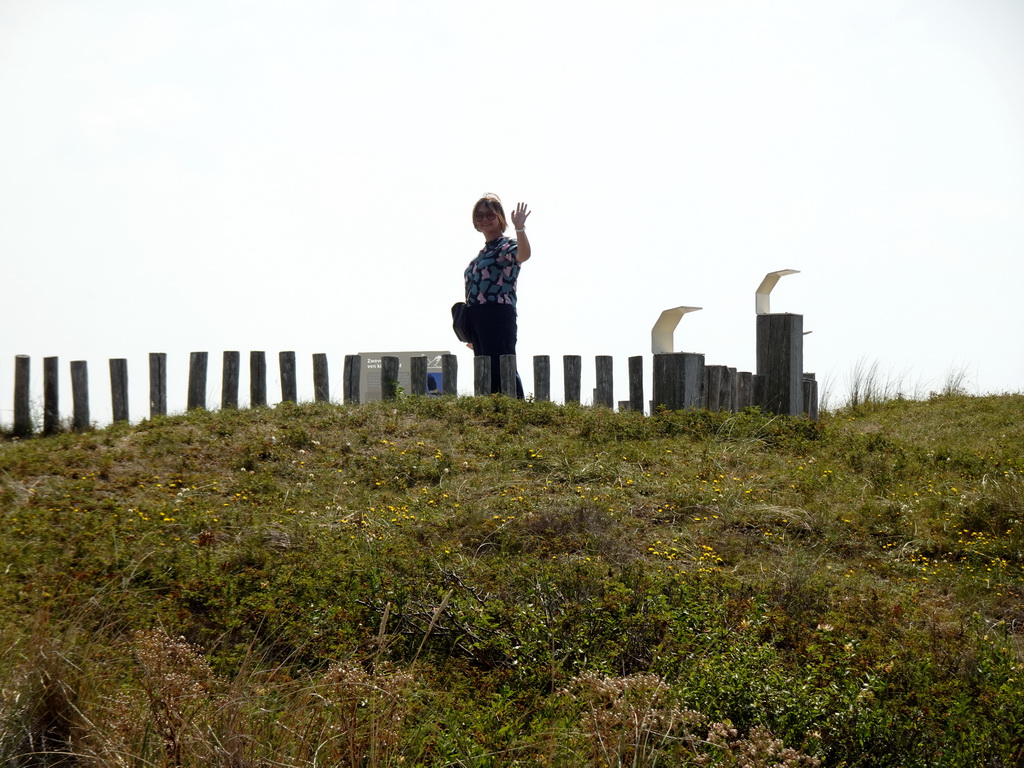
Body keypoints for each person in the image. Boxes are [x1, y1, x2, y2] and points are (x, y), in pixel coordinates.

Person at [464, 194, 532, 398]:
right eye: (479, 216)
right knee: (485, 367)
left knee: (502, 365)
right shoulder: (482, 254)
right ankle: (490, 411)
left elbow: (523, 255)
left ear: (500, 218)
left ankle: (515, 409)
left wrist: (520, 228)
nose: (484, 219)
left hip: (497, 313)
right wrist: (470, 330)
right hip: (477, 317)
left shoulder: (505, 246)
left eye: (490, 215)